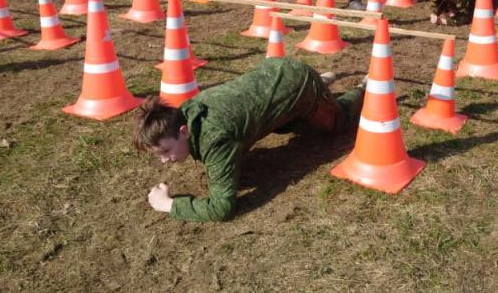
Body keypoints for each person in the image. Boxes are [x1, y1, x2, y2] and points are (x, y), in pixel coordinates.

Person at [136, 58, 366, 222]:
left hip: (298, 82)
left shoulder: (213, 138)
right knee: (294, 123)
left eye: (166, 151)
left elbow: (221, 208)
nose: (165, 161)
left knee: (337, 124)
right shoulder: (187, 110)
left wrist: (168, 205)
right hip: (273, 69)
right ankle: (318, 84)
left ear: (184, 131)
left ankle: (362, 87)